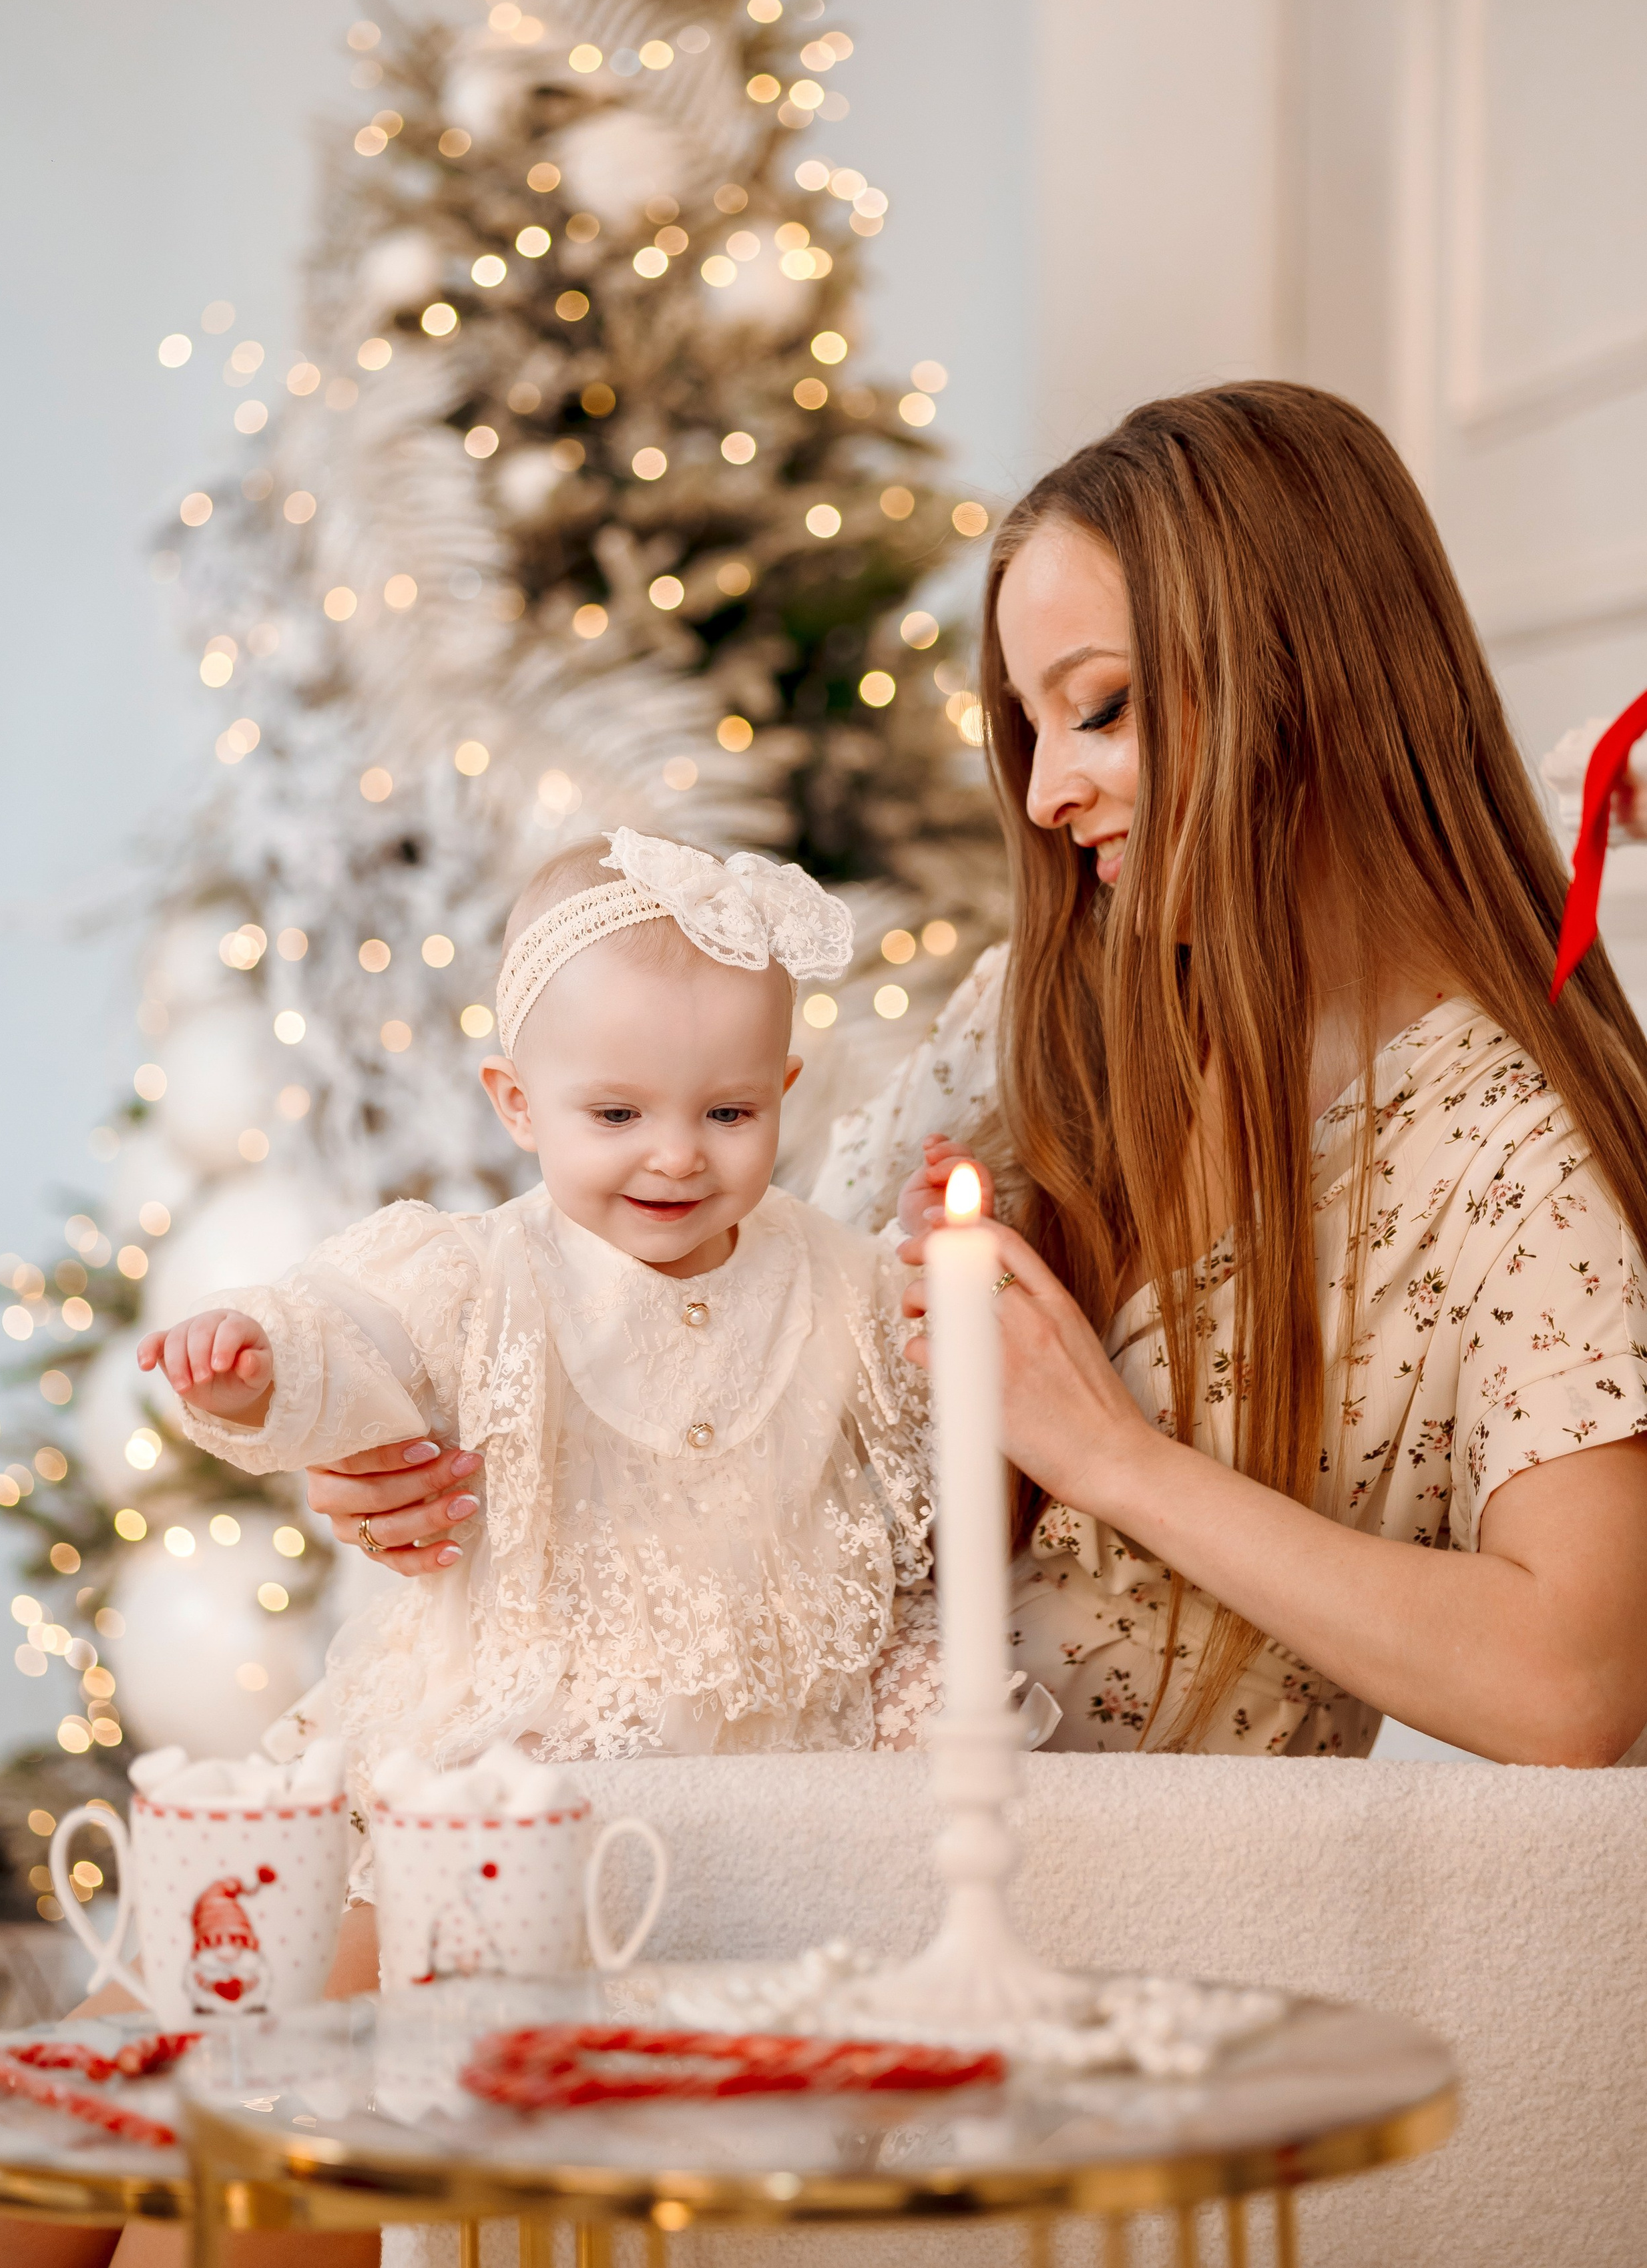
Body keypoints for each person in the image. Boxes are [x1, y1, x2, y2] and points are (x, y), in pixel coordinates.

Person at [824, 379, 1647, 1762]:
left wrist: (1114, 1464)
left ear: (1303, 673)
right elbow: (720, 1297)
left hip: (1134, 1944)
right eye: (1030, 728)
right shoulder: (1032, 1011)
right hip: (763, 1841)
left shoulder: (1512, 1152)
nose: (1043, 795)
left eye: (1101, 709)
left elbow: (1569, 1685)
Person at [140, 828, 935, 1841]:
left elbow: (921, 1372)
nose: (679, 1156)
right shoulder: (479, 1274)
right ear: (519, 1105)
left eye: (729, 1113)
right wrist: (257, 1366)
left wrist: (932, 1256)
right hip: (549, 1726)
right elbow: (355, 1340)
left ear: (782, 1092)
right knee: (462, 1879)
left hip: (786, 1738)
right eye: (616, 1115)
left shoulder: (827, 1266)